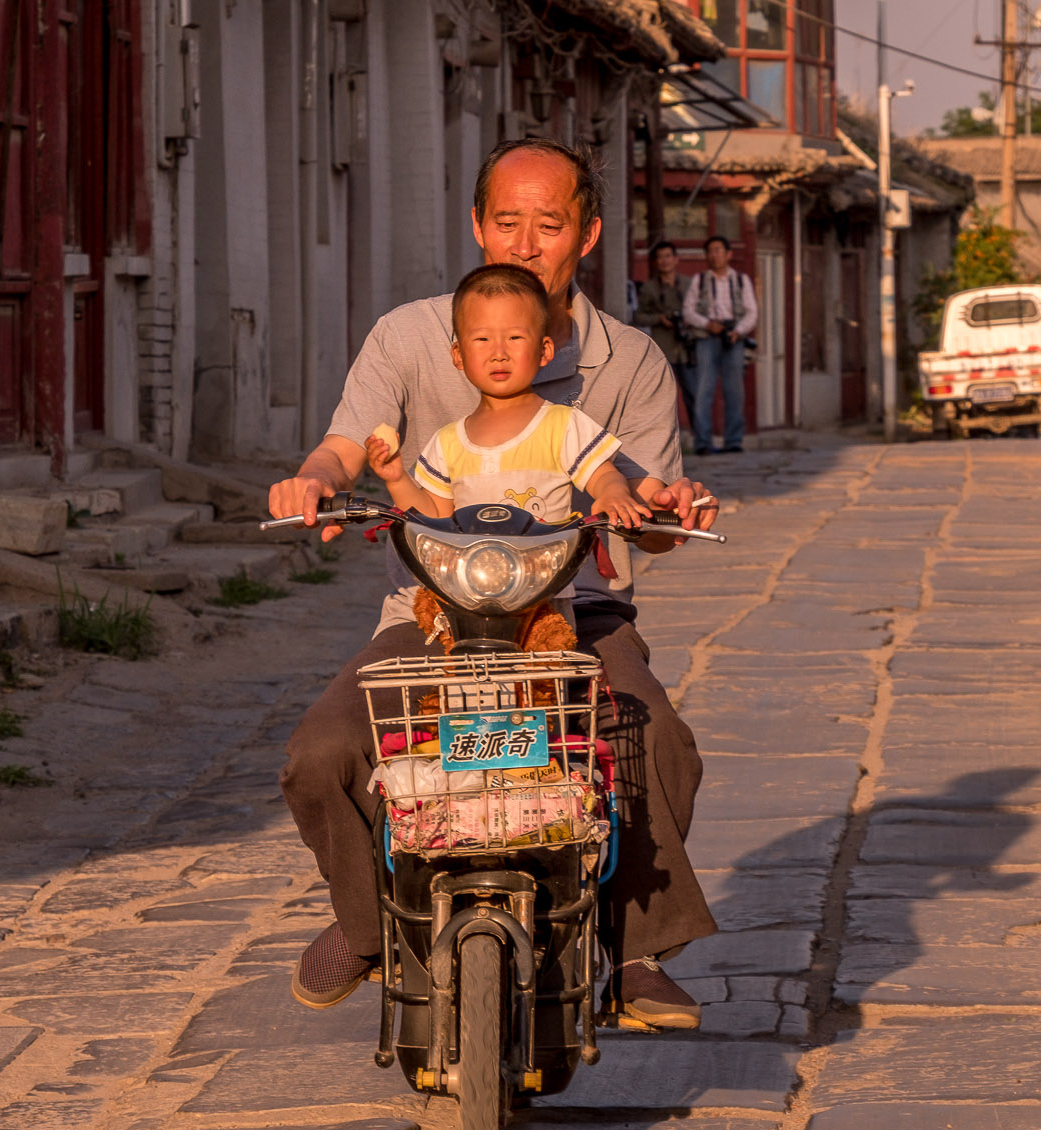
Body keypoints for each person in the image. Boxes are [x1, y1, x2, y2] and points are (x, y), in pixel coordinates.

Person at [270, 137, 721, 1031]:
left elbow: (648, 516)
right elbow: (352, 437)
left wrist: (668, 506)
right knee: (319, 754)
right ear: (477, 225)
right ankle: (367, 927)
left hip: (574, 612)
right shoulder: (409, 336)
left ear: (585, 235)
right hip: (433, 614)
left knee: (651, 732)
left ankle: (631, 952)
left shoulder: (627, 361)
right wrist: (314, 475)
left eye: (547, 225)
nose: (524, 242)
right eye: (505, 222)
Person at [369, 262, 650, 547]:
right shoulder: (447, 442)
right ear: (458, 355)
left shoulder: (562, 425)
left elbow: (604, 475)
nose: (499, 353)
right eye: (482, 339)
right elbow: (433, 520)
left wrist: (613, 494)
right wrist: (396, 479)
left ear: (544, 350)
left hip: (543, 586)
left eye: (515, 337)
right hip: (466, 588)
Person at [681, 235, 758, 455]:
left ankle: (733, 441)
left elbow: (752, 312)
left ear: (728, 254)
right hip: (706, 337)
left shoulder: (741, 280)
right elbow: (689, 310)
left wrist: (738, 331)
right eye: (710, 251)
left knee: (734, 390)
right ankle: (703, 442)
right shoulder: (701, 280)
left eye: (718, 250)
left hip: (733, 337)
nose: (714, 255)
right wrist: (707, 324)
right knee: (703, 389)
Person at [632, 241, 698, 451]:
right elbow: (638, 315)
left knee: (695, 395)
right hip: (664, 348)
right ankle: (668, 445)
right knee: (664, 399)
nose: (664, 261)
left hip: (688, 348)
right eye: (660, 257)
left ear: (676, 259)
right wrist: (660, 318)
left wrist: (690, 320)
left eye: (668, 256)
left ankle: (701, 440)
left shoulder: (689, 284)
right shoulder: (650, 287)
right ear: (655, 262)